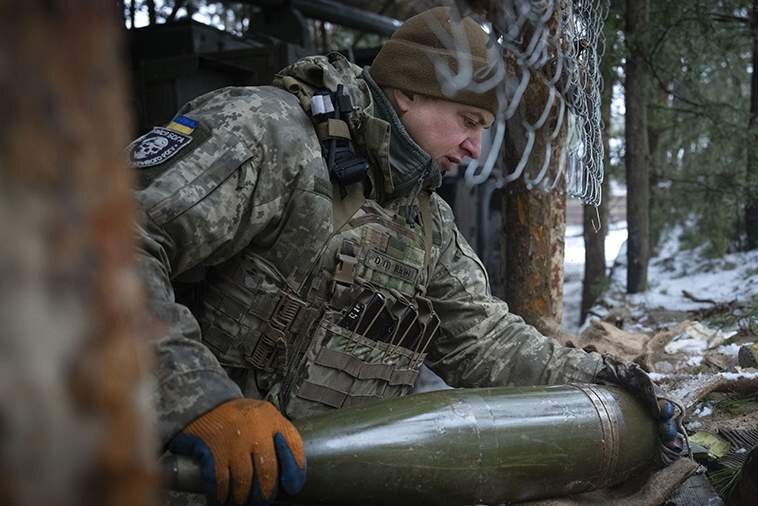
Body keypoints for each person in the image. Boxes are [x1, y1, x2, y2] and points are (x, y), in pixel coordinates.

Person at [133, 7, 679, 505]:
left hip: (318, 478)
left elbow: (484, 343)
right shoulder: (268, 134)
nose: (475, 149)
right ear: (407, 93)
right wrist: (204, 402)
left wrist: (608, 381)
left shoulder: (424, 220)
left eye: (483, 130)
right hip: (176, 473)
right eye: (468, 121)